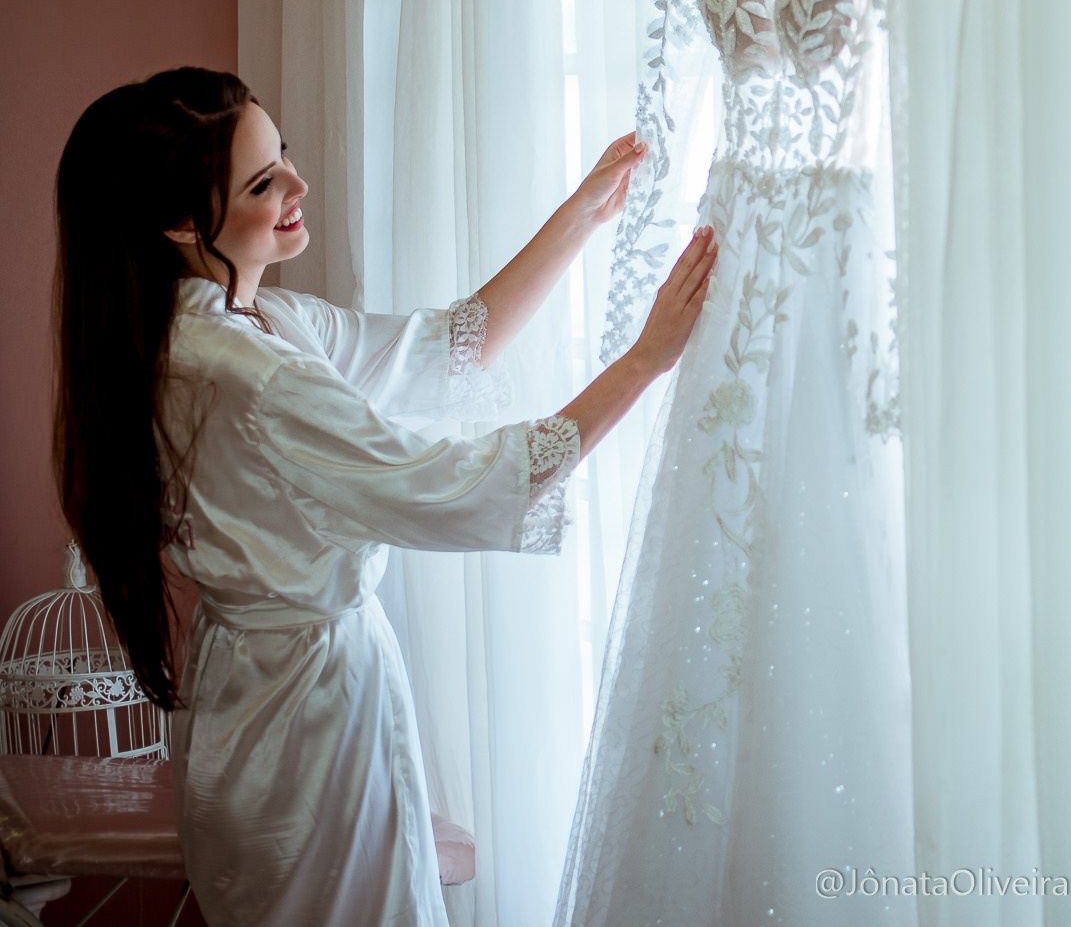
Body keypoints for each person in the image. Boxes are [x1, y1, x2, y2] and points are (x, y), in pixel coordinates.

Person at [51, 67, 717, 927]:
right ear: (182, 220)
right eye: (264, 182)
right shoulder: (253, 375)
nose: (298, 185)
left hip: (249, 706)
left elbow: (442, 348)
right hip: (306, 728)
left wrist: (583, 214)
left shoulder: (221, 325)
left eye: (282, 154)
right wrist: (641, 361)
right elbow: (449, 487)